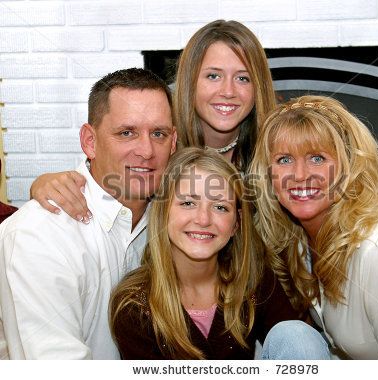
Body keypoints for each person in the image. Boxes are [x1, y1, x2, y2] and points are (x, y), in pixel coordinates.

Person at [249, 95, 378, 359]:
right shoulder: (299, 242)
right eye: (284, 160)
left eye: (317, 158)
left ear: (349, 167)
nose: (299, 175)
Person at [0, 68, 177, 359]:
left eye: (158, 133)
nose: (146, 150)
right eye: (127, 133)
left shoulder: (176, 223)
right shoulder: (38, 234)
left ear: (173, 143)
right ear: (90, 142)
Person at [28, 19, 276, 221]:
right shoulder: (158, 147)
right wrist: (44, 183)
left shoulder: (274, 152)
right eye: (213, 76)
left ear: (259, 87)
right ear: (190, 82)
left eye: (243, 78)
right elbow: (104, 180)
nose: (228, 91)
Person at [109, 147, 328, 359]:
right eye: (187, 203)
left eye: (220, 207)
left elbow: (298, 349)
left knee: (299, 336)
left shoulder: (254, 280)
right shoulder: (134, 304)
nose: (203, 219)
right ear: (162, 213)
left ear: (236, 224)